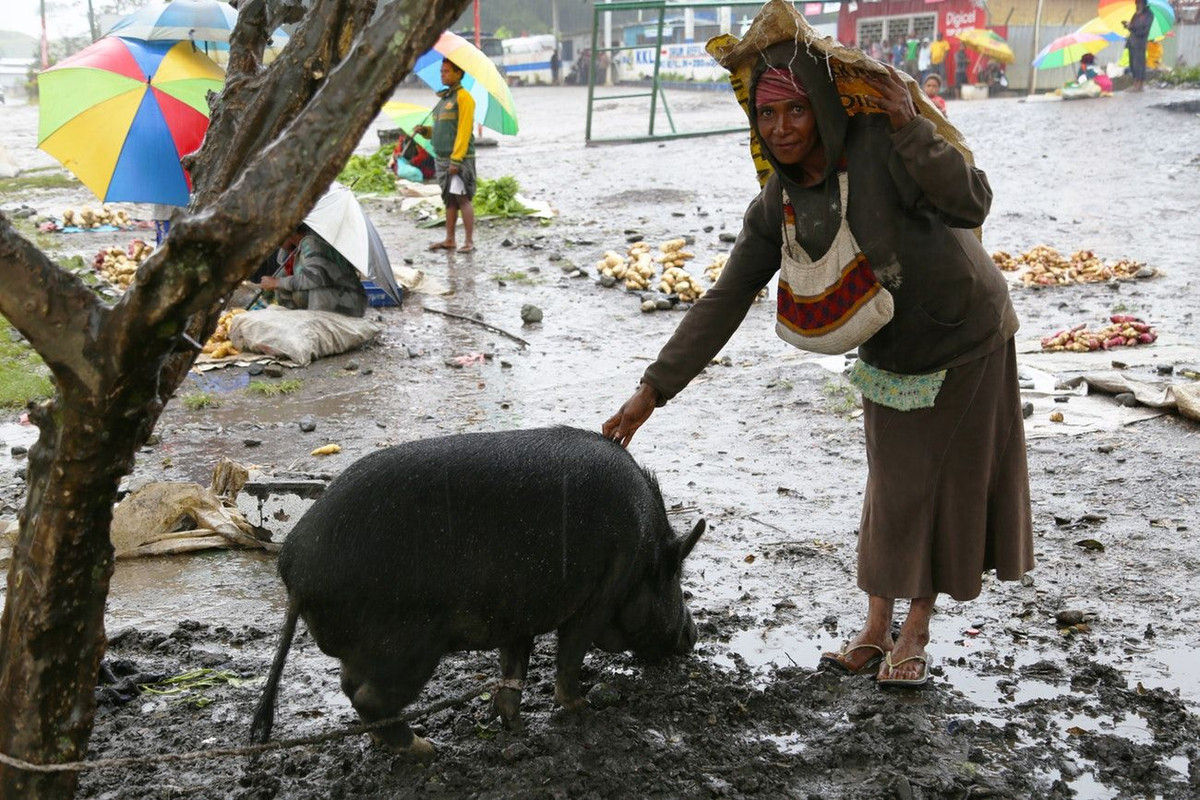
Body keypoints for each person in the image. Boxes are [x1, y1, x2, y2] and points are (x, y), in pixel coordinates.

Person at [603, 44, 1032, 689]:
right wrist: (650, 392)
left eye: (796, 110)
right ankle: (873, 626)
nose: (781, 129)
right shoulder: (779, 201)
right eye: (767, 114)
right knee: (891, 484)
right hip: (888, 344)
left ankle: (913, 630)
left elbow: (972, 202)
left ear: (821, 108)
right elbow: (723, 300)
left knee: (943, 484)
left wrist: (911, 126)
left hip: (966, 334)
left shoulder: (883, 144)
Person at [414, 59, 477, 254]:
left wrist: (456, 160)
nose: (443, 75)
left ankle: (469, 241)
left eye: (447, 71)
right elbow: (442, 130)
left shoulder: (464, 98)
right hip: (440, 158)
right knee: (449, 200)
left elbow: (463, 131)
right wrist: (425, 131)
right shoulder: (442, 101)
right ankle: (449, 239)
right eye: (442, 71)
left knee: (462, 198)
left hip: (457, 159)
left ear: (459, 74)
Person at [257, 225, 368, 317]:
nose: (275, 242)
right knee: (282, 287)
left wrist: (277, 282)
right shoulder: (290, 250)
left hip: (347, 301)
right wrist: (270, 287)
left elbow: (314, 279)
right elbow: (284, 276)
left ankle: (315, 323)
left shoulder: (313, 242)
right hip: (327, 300)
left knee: (305, 288)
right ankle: (294, 319)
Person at [1125, 0, 1154, 92]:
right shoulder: (1136, 14)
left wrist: (1132, 27)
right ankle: (1135, 84)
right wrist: (1128, 25)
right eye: (1136, 2)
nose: (1137, 4)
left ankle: (1140, 85)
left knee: (1139, 64)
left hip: (1140, 43)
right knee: (1132, 64)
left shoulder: (1148, 15)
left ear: (1144, 3)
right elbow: (1133, 27)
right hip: (1132, 42)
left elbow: (1144, 30)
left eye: (1139, 2)